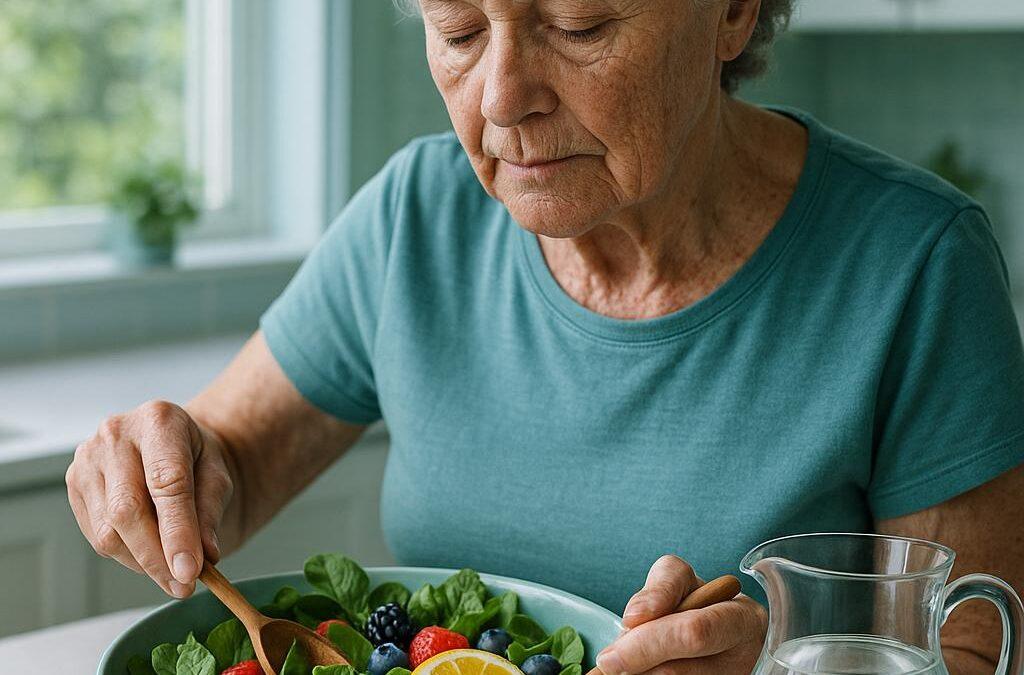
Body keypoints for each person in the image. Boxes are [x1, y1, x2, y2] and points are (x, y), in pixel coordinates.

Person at [66, 1, 1024, 672]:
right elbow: (225, 468)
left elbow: (977, 651)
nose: (500, 97)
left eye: (580, 26)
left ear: (732, 12)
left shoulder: (917, 265)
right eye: (459, 29)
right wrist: (161, 473)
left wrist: (774, 669)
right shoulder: (416, 216)